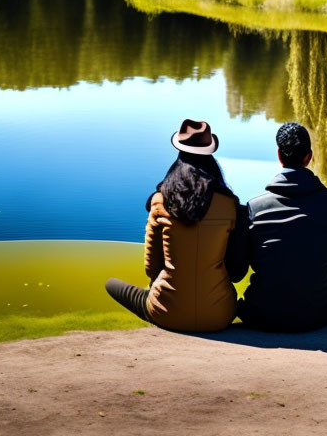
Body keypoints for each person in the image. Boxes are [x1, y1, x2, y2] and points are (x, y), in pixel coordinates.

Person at [105, 119, 249, 332]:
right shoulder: (230, 205)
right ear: (210, 157)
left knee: (111, 284)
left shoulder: (159, 201)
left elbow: (151, 268)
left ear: (179, 155)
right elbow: (237, 272)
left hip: (167, 314)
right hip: (220, 315)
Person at [237, 122, 327, 332]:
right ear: (308, 157)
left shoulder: (255, 208)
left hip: (262, 314)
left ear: (279, 155)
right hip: (319, 314)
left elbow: (239, 268)